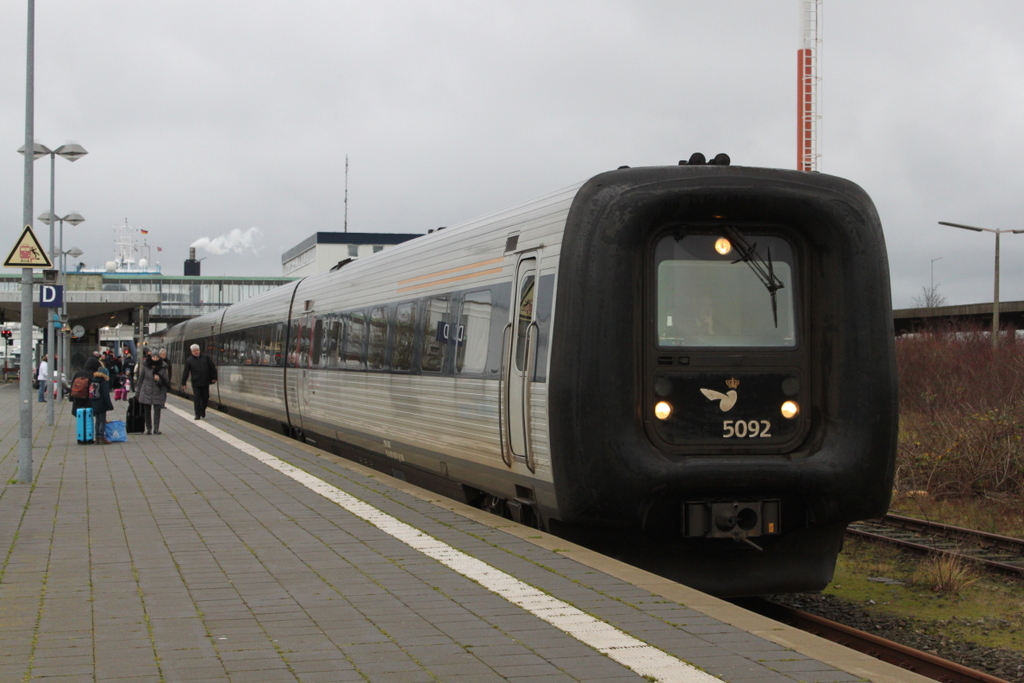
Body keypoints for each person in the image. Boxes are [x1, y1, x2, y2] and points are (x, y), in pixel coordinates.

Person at [180, 343, 217, 420]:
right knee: (197, 398)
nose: (196, 352)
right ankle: (197, 414)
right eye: (194, 351)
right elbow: (186, 372)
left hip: (205, 381)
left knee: (205, 397)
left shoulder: (206, 358)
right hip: (196, 382)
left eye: (197, 350)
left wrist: (214, 377)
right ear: (191, 352)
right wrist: (183, 382)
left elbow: (212, 367)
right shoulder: (189, 360)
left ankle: (202, 410)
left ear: (199, 350)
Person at [137, 350, 169, 435]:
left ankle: (156, 429)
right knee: (147, 411)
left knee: (157, 410)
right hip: (146, 391)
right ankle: (148, 428)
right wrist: (138, 392)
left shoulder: (163, 367)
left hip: (158, 391)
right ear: (151, 357)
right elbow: (141, 379)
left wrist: (159, 380)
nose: (155, 359)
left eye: (157, 357)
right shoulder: (146, 366)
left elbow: (166, 381)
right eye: (154, 357)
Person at [90, 361, 115, 445]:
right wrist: (110, 406)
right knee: (102, 420)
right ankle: (101, 437)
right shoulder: (104, 382)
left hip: (94, 402)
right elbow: (105, 395)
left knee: (97, 420)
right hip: (102, 403)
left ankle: (97, 437)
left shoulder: (93, 380)